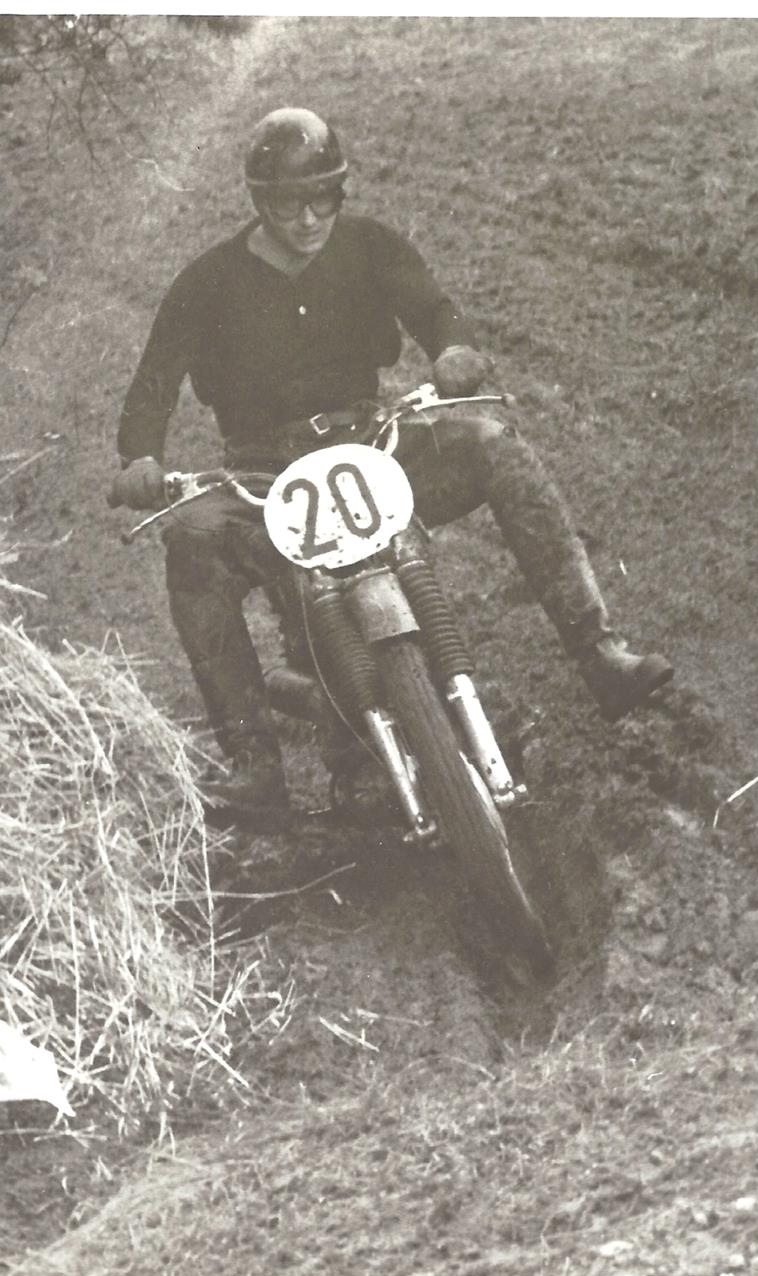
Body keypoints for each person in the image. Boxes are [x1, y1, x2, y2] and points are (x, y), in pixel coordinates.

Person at [111, 107, 673, 832]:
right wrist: (142, 458)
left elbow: (434, 309)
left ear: (341, 193)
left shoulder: (370, 246)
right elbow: (153, 384)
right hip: (260, 476)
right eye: (290, 203)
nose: (310, 217)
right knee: (189, 539)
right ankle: (256, 766)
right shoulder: (207, 282)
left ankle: (600, 654)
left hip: (373, 443)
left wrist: (453, 350)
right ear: (258, 200)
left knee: (490, 442)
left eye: (325, 198)